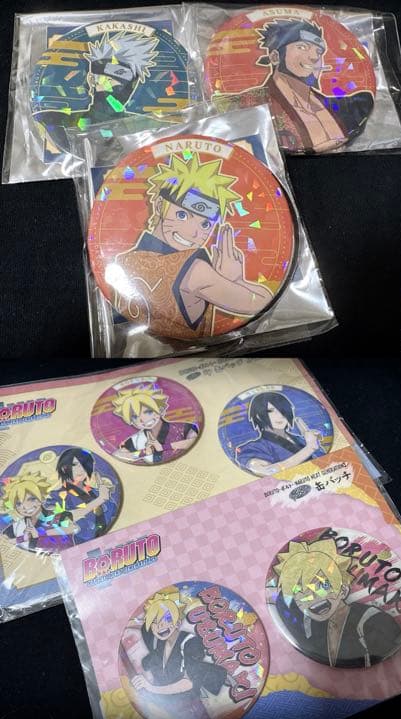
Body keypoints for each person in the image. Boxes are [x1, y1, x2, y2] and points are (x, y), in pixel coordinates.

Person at [113, 152, 273, 340]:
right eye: (182, 215)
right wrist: (236, 280)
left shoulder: (122, 261)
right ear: (159, 205)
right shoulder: (196, 271)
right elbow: (262, 301)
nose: (193, 233)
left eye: (205, 224)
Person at [273, 538, 401, 668]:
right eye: (299, 592)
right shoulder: (312, 626)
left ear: (343, 589)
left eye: (323, 585)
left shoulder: (374, 621)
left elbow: (391, 656)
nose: (313, 597)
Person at [255, 19, 373, 152]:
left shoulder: (349, 106)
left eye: (319, 51)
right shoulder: (252, 104)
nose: (314, 57)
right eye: (302, 47)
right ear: (275, 57)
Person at [127, 587, 230, 719]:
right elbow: (141, 628)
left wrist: (150, 688)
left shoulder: (190, 643)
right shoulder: (157, 642)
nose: (161, 625)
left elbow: (188, 683)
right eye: (155, 622)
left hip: (189, 708)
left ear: (178, 622)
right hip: (164, 706)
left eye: (168, 619)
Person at [32, 32, 158, 141]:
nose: (96, 83)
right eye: (95, 79)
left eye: (109, 80)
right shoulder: (81, 111)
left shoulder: (135, 117)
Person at [235, 391, 323, 475]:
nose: (280, 415)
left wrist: (313, 442)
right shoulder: (254, 447)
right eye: (271, 411)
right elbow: (268, 471)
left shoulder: (300, 439)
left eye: (282, 410)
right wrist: (310, 448)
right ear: (258, 416)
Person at [111, 385, 199, 464]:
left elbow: (194, 441)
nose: (143, 419)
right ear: (131, 421)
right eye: (135, 417)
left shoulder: (183, 427)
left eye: (148, 412)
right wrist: (143, 453)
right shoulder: (136, 440)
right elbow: (117, 454)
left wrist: (164, 447)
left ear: (160, 409)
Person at [50, 448, 115, 542]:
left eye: (84, 464)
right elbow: (61, 519)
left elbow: (113, 512)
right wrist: (99, 500)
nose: (80, 469)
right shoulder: (56, 496)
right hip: (84, 545)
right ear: (64, 468)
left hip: (112, 535)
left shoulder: (96, 491)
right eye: (74, 465)